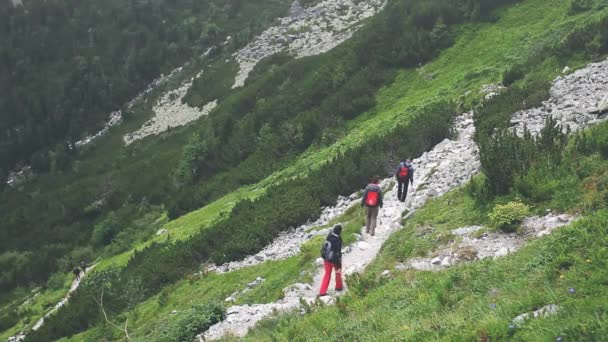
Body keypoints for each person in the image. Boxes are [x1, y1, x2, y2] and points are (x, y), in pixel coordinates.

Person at [319, 225, 344, 296]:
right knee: (338, 272)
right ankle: (338, 287)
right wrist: (339, 260)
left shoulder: (329, 237)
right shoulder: (338, 239)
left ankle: (322, 291)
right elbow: (338, 251)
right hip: (335, 259)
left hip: (326, 259)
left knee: (327, 274)